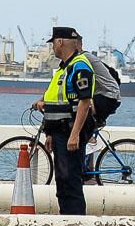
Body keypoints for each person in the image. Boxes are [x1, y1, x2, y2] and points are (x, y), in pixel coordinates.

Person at [34, 26, 95, 215]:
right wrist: (49, 133)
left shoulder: (80, 66)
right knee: (62, 179)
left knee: (70, 179)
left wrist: (75, 135)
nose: (52, 47)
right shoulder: (63, 70)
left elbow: (85, 103)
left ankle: (76, 220)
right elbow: (55, 103)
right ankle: (66, 218)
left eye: (53, 42)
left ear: (60, 42)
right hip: (59, 132)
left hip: (70, 132)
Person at [75, 36, 121, 128]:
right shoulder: (86, 57)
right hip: (109, 95)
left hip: (106, 96)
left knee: (79, 110)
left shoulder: (82, 58)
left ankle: (87, 135)